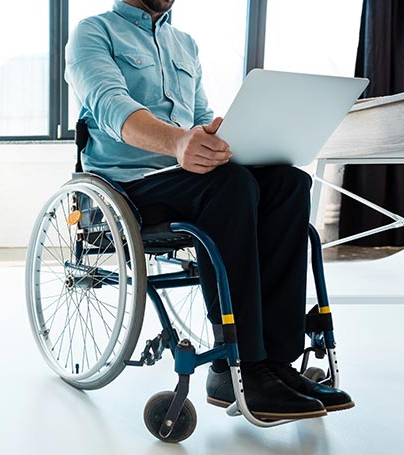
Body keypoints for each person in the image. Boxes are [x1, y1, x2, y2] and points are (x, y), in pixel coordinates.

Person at [65, 0, 354, 419]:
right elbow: (112, 107)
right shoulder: (93, 32)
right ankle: (235, 366)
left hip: (193, 176)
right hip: (127, 186)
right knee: (230, 185)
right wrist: (179, 143)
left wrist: (219, 135)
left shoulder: (184, 44)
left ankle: (276, 364)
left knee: (290, 183)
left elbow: (199, 117)